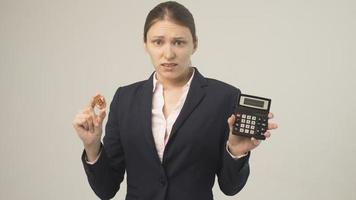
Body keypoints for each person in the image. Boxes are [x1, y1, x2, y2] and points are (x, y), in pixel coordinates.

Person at [72, 1, 278, 200]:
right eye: (158, 42)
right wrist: (92, 147)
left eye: (179, 42)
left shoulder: (224, 98)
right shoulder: (124, 99)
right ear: (145, 44)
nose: (168, 54)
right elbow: (106, 190)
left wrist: (235, 152)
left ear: (194, 44)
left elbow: (230, 188)